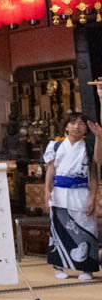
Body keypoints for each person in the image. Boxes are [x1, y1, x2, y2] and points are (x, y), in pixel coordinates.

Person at [44, 108, 100, 280]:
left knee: (86, 227)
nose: (77, 127)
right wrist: (47, 191)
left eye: (81, 123)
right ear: (66, 127)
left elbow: (94, 172)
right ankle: (59, 266)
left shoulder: (90, 147)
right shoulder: (56, 145)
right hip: (60, 192)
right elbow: (50, 170)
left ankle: (87, 268)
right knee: (59, 230)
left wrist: (93, 197)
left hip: (81, 192)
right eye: (73, 123)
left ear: (86, 128)